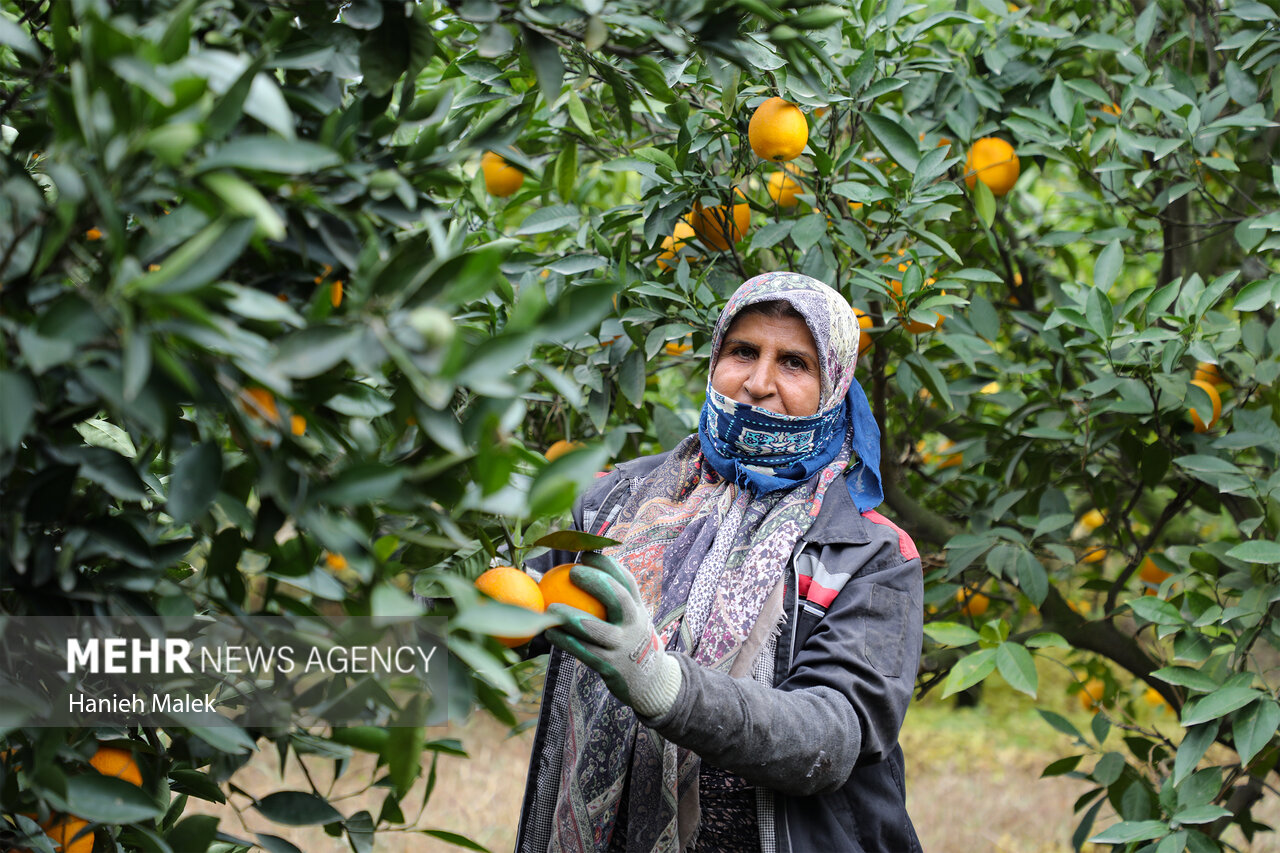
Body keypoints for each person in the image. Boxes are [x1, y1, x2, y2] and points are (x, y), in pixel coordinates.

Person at [514, 272, 923, 853]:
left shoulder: (871, 554)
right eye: (743, 352)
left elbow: (829, 739)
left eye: (795, 364)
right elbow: (499, 606)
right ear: (714, 362)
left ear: (834, 385)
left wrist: (663, 685)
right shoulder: (612, 504)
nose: (758, 383)